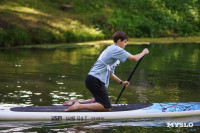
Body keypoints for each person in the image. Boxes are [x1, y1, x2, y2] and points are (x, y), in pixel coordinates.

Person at [64, 31, 149, 111]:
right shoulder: (116, 49)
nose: (126, 44)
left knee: (98, 99)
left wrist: (121, 82)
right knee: (106, 106)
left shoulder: (111, 48)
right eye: (125, 42)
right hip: (95, 80)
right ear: (119, 41)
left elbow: (110, 73)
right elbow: (134, 58)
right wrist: (143, 52)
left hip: (91, 79)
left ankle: (75, 102)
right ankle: (78, 106)